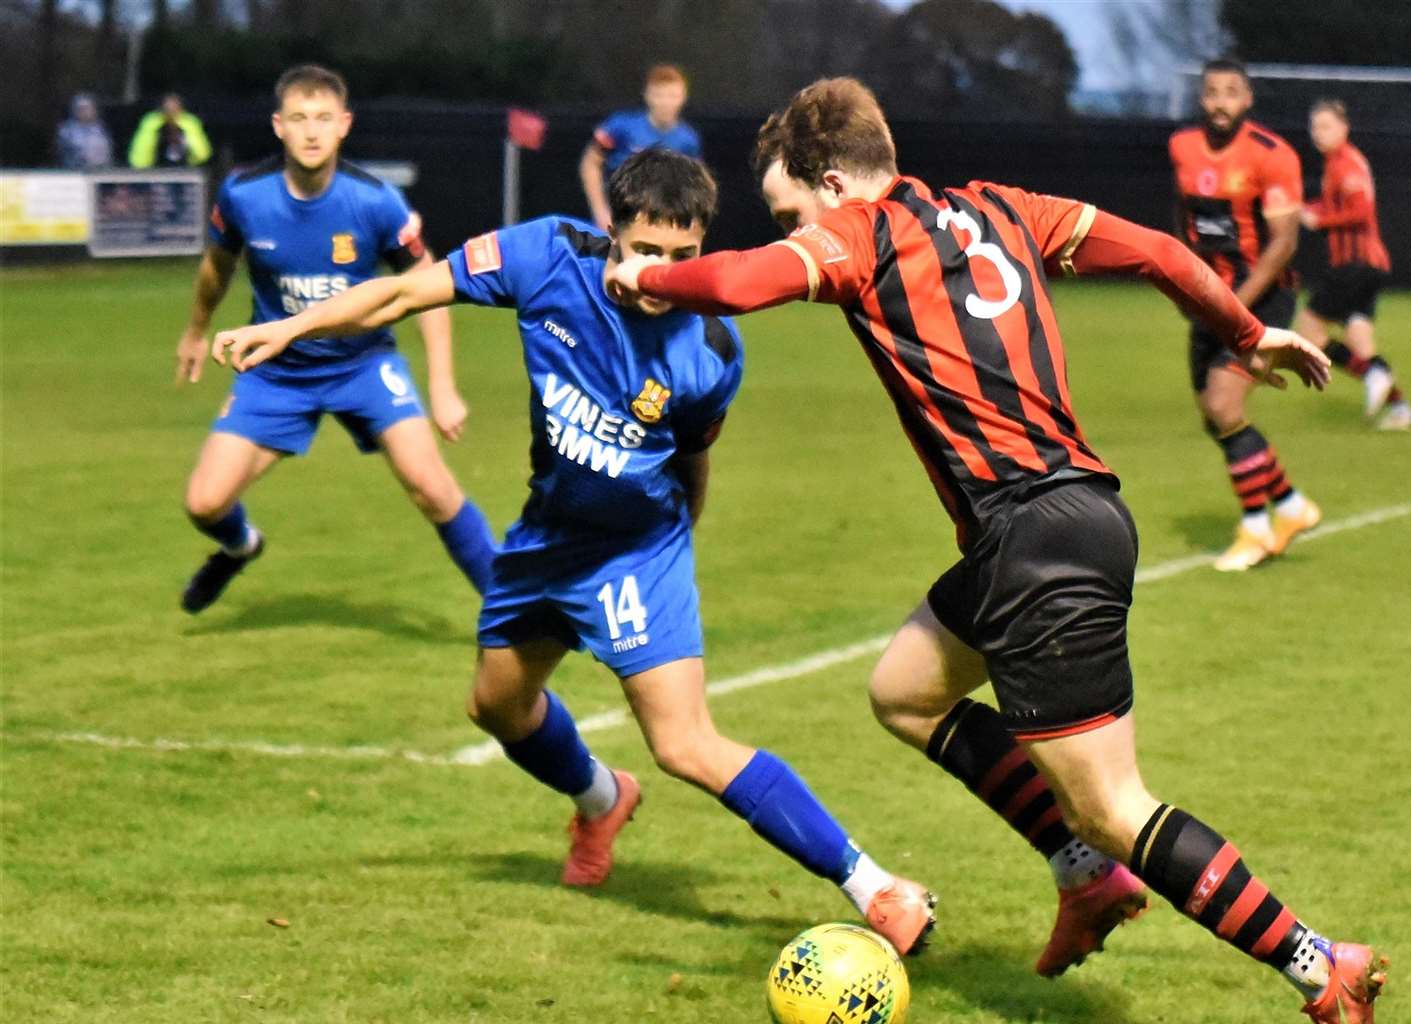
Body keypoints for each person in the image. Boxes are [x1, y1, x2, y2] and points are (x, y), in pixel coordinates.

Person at [605, 77, 1388, 1024]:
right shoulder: (1000, 209)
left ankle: (1320, 964)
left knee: (1112, 805)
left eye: (788, 212)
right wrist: (1243, 329)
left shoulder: (858, 232)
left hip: (1033, 540)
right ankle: (1081, 876)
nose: (788, 232)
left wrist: (639, 278)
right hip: (1061, 519)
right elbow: (1154, 250)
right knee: (904, 692)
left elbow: (733, 283)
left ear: (835, 180)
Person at [209, 148, 939, 958]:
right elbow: (406, 291)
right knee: (495, 708)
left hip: (634, 553)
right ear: (611, 233)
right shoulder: (547, 255)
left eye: (683, 258)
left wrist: (675, 548)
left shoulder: (711, 349)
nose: (659, 274)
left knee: (684, 744)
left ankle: (876, 888)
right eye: (645, 252)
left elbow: (693, 455)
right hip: (544, 537)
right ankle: (601, 799)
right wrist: (290, 325)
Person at [173, 64, 493, 613]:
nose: (312, 131)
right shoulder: (244, 196)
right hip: (277, 369)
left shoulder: (375, 202)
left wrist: (443, 385)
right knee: (204, 503)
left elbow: (429, 285)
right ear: (279, 126)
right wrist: (196, 331)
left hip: (363, 365)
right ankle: (241, 546)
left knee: (431, 486)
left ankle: (518, 611)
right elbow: (215, 270)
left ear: (344, 124)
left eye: (324, 118)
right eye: (299, 118)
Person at [1169, 59, 1320, 572]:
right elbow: (1183, 220)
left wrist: (1235, 306)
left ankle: (1256, 528)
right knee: (1214, 419)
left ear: (1248, 98)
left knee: (1226, 407)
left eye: (1231, 92)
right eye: (1211, 92)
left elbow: (1283, 244)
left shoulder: (1272, 155)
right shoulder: (1183, 148)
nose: (1219, 102)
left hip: (1262, 299)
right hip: (1209, 299)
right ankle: (1292, 506)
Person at [1299, 99, 1411, 431]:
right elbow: (1332, 203)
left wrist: (1319, 220)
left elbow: (1360, 210)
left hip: (1354, 264)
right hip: (1370, 266)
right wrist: (1304, 207)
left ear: (1344, 128)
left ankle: (1373, 375)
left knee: (1308, 332)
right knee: (1361, 343)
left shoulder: (1345, 164)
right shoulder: (1338, 164)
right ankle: (1400, 409)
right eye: (1315, 127)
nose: (1318, 133)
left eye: (1326, 126)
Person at [580, 65, 701, 231]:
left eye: (672, 96)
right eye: (659, 95)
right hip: (618, 219)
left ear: (683, 97)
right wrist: (600, 211)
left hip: (661, 225)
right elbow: (590, 164)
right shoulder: (620, 126)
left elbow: (693, 185)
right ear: (647, 95)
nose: (665, 102)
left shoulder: (688, 140)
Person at [129, 93, 212, 168]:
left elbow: (203, 155)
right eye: (167, 109)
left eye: (175, 108)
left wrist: (188, 128)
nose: (171, 112)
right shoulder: (152, 125)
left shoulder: (189, 125)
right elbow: (138, 161)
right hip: (155, 172)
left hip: (186, 173)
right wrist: (153, 128)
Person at [56, 93, 113, 169]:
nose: (85, 112)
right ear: (74, 110)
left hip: (101, 172)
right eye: (81, 109)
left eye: (88, 108)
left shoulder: (100, 129)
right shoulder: (66, 131)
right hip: (75, 172)